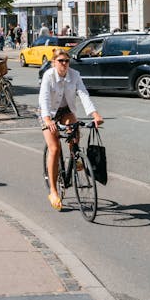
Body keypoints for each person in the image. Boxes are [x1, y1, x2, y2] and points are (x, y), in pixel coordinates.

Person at [38, 50, 103, 210]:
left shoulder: (75, 75)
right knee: (54, 148)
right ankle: (53, 191)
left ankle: (75, 157)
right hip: (48, 113)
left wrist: (95, 114)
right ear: (54, 62)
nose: (64, 64)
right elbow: (44, 98)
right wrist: (47, 119)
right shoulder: (49, 76)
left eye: (67, 61)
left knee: (74, 130)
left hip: (66, 110)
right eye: (61, 61)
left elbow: (83, 94)